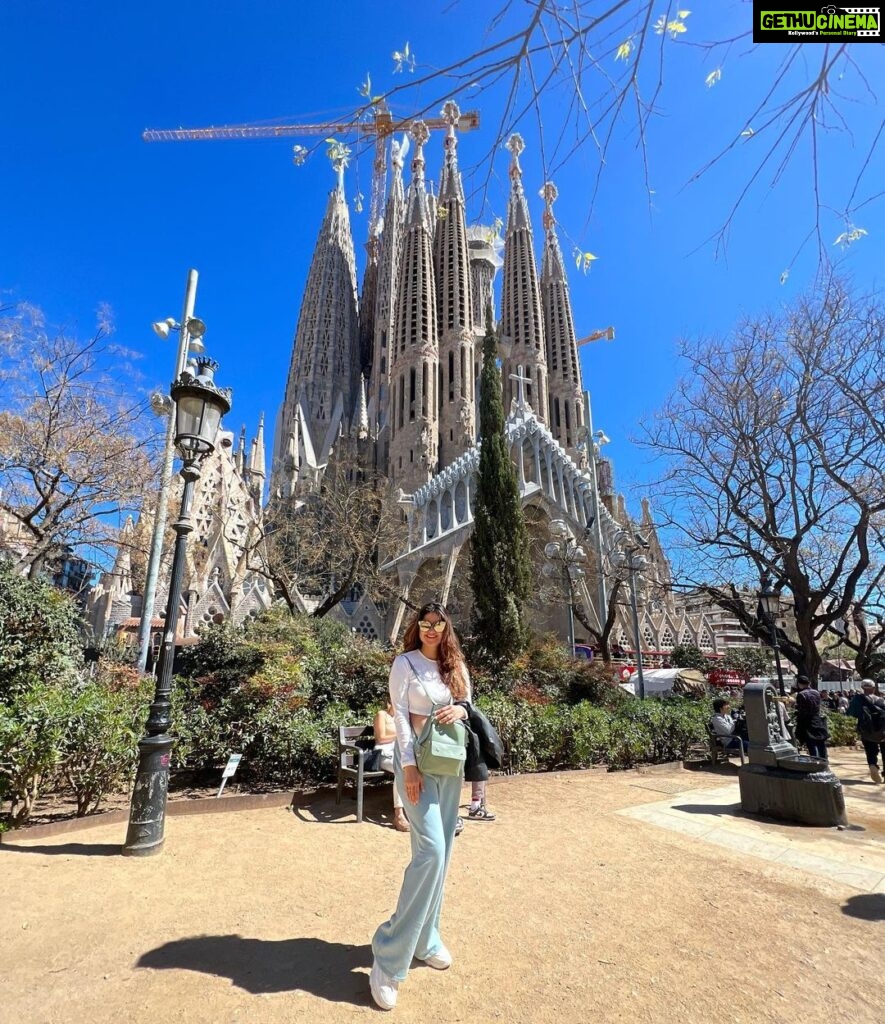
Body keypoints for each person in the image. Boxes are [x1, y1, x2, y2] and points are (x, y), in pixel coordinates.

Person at [370, 602, 470, 1011]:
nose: (430, 630)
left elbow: (469, 710)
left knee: (442, 857)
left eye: (437, 624)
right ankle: (388, 956)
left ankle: (426, 937)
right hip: (418, 771)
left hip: (450, 768)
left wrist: (459, 708)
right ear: (418, 627)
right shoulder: (404, 664)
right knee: (431, 852)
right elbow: (400, 721)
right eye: (425, 624)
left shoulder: (456, 666)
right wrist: (407, 768)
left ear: (447, 627)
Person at [374, 701, 410, 833]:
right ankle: (398, 815)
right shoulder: (382, 715)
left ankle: (414, 811)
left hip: (399, 754)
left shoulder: (402, 718)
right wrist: (400, 736)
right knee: (401, 769)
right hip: (383, 754)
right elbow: (380, 738)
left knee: (409, 768)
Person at [847, 679, 885, 783]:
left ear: (863, 688)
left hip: (867, 731)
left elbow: (850, 714)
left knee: (870, 751)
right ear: (874, 688)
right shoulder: (881, 700)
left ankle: (873, 765)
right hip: (882, 731)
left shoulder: (858, 700)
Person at [794, 676, 828, 760]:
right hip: (817, 720)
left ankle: (815, 763)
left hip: (807, 722)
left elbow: (802, 711)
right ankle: (824, 762)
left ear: (799, 684)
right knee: (821, 743)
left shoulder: (801, 694)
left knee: (812, 744)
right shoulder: (816, 692)